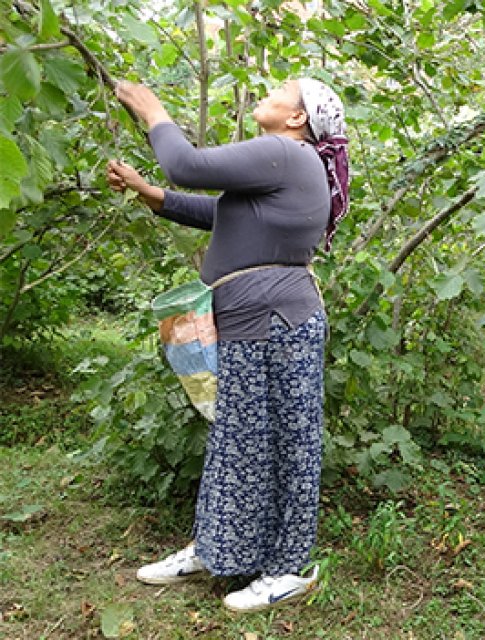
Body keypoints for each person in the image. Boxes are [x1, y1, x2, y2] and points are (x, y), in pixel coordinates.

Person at [107, 77, 350, 611]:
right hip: (249, 323)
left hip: (279, 323)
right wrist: (155, 196)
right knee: (237, 442)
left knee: (289, 444)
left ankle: (288, 568)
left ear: (297, 119)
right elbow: (228, 216)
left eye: (284, 89)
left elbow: (187, 165)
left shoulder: (286, 154)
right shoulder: (287, 167)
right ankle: (218, 547)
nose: (271, 89)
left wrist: (153, 110)